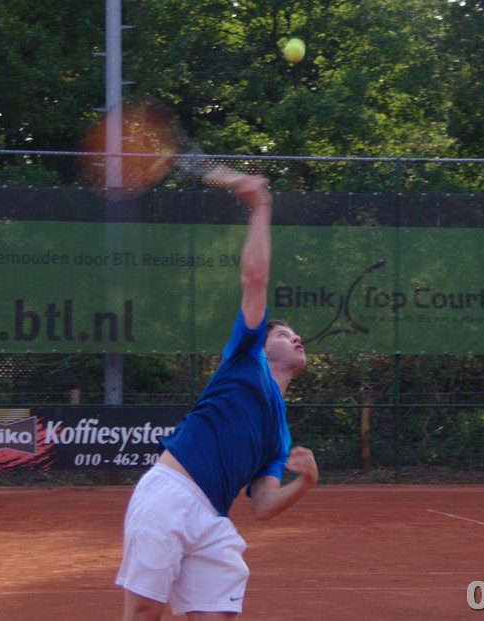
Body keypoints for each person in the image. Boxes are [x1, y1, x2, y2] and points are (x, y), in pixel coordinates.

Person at [116, 172, 318, 621]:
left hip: (212, 518)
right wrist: (260, 207)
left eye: (296, 334)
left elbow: (262, 505)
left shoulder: (280, 435)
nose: (295, 338)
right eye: (283, 334)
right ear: (263, 346)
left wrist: (304, 484)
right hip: (170, 493)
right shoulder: (245, 358)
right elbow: (255, 277)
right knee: (145, 611)